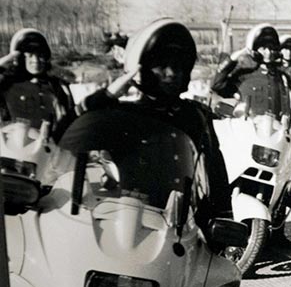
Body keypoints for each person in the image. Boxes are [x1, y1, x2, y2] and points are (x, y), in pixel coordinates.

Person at [83, 18, 233, 228]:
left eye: (178, 66)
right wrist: (109, 94)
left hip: (186, 227)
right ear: (142, 70)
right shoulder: (125, 115)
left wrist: (224, 218)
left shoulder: (195, 115)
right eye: (161, 66)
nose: (172, 73)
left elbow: (215, 171)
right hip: (132, 223)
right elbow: (73, 128)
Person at [0, 28, 76, 141]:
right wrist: (7, 59)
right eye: (30, 55)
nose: (36, 60)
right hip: (13, 146)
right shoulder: (7, 84)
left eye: (40, 55)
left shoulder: (57, 85)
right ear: (20, 58)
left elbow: (69, 119)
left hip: (49, 146)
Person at [211, 23, 291, 120]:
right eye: (263, 48)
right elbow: (216, 85)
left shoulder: (282, 78)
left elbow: (288, 107)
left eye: (271, 48)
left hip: (275, 128)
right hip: (248, 127)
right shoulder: (244, 76)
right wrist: (233, 58)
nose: (268, 53)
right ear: (254, 50)